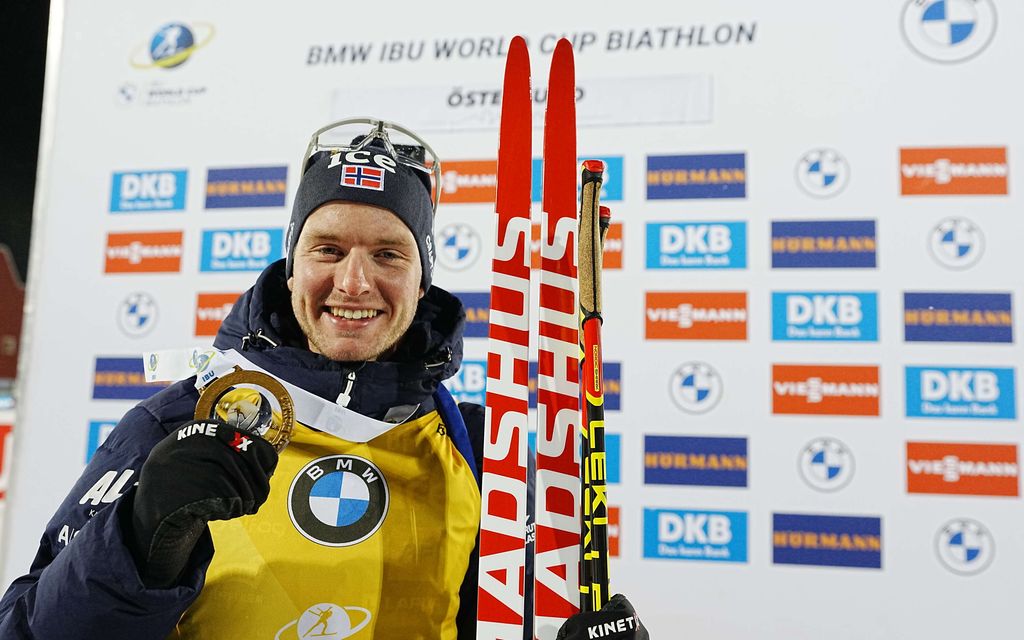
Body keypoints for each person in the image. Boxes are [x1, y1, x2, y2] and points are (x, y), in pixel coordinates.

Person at [0, 118, 646, 639]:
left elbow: (513, 622)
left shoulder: (479, 447)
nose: (355, 282)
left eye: (389, 254)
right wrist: (136, 539)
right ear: (291, 267)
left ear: (422, 282)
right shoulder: (176, 422)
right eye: (328, 250)